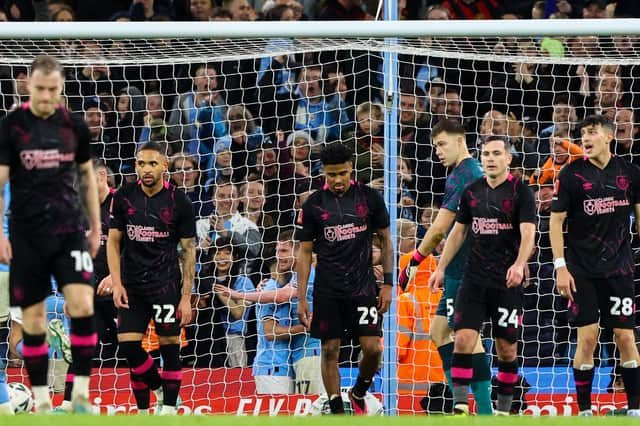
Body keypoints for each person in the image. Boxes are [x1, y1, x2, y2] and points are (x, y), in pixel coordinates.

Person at [0, 55, 101, 413]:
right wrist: (0, 233)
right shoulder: (13, 125)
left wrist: (96, 226)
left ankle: (81, 396)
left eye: (53, 90)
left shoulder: (74, 125)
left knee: (83, 306)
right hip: (27, 234)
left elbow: (88, 177)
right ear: (28, 86)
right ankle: (41, 399)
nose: (46, 96)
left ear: (61, 89)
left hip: (70, 230)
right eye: (40, 89)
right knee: (34, 319)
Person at [429, 135, 536, 416]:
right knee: (462, 338)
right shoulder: (472, 191)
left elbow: (528, 233)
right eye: (486, 154)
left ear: (508, 159)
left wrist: (519, 263)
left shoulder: (521, 192)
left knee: (506, 350)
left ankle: (501, 412)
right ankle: (462, 407)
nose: (489, 158)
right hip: (473, 279)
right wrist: (440, 267)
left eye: (496, 153)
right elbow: (458, 232)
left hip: (506, 281)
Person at [398, 118, 492, 414]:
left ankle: (485, 412)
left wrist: (416, 259)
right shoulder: (462, 173)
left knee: (468, 338)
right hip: (458, 270)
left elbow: (440, 228)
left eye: (442, 144)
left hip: (469, 270)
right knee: (441, 332)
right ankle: (462, 404)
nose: (437, 151)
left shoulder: (466, 173)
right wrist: (441, 267)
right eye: (434, 146)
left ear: (461, 140)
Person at [550, 114, 640, 417]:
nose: (585, 138)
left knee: (625, 337)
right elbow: (555, 221)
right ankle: (585, 411)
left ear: (608, 137)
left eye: (591, 133)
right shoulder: (571, 174)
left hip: (620, 270)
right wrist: (560, 266)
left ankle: (635, 409)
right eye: (583, 134)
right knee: (586, 339)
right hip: (581, 272)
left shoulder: (629, 172)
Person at [296, 143, 393, 415]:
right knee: (329, 350)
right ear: (323, 173)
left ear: (351, 167)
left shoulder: (370, 198)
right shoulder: (314, 204)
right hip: (328, 290)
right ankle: (337, 412)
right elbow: (304, 253)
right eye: (331, 175)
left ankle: (359, 391)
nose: (337, 180)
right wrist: (302, 297)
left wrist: (388, 283)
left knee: (373, 349)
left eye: (341, 173)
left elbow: (386, 241)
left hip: (362, 288)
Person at [106, 141, 196, 415]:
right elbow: (113, 242)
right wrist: (117, 282)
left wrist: (186, 297)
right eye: (141, 163)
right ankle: (159, 389)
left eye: (152, 163)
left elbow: (188, 251)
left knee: (170, 348)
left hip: (165, 285)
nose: (146, 169)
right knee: (129, 345)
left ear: (165, 166)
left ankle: (168, 409)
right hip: (132, 286)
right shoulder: (123, 196)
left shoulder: (179, 201)